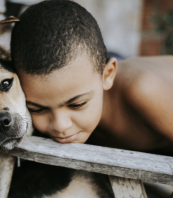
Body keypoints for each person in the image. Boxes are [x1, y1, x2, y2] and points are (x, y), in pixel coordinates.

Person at [11, 0, 173, 156]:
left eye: (77, 104)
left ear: (107, 75)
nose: (60, 125)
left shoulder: (145, 90)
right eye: (38, 109)